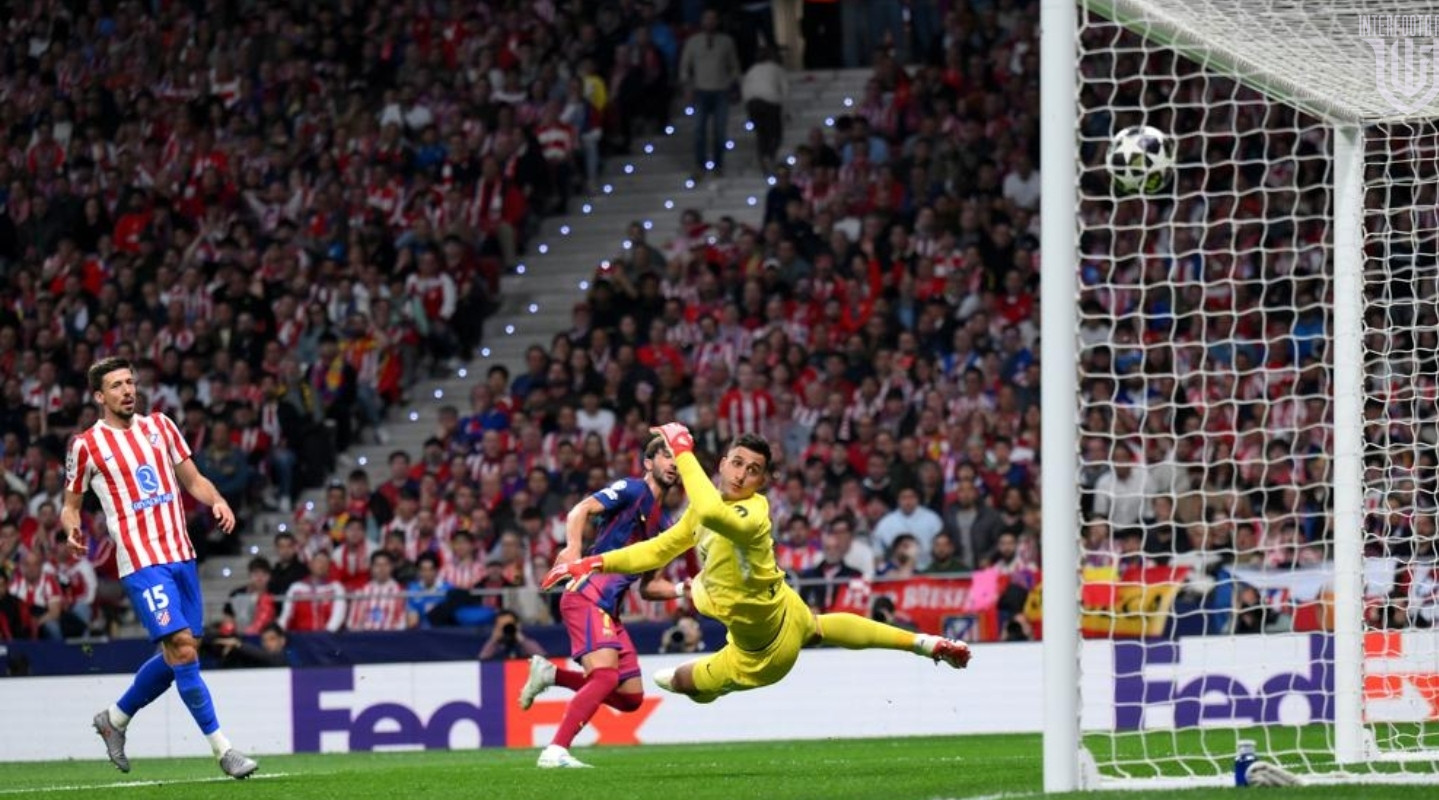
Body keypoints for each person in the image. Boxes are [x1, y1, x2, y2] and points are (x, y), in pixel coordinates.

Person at [544, 426, 970, 711]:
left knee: (681, 683)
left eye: (753, 470)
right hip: (783, 604)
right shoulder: (701, 509)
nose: (741, 475)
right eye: (736, 463)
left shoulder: (753, 513)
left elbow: (711, 512)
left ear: (762, 482)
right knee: (819, 625)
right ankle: (925, 643)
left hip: (762, 652)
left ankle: (716, 680)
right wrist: (594, 561)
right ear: (722, 464)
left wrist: (683, 451)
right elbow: (655, 551)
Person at [63, 357, 257, 778]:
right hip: (141, 561)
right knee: (182, 647)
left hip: (181, 554)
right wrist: (72, 529)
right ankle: (223, 751)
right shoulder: (86, 445)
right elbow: (70, 506)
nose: (127, 390)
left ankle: (114, 719)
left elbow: (193, 479)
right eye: (116, 385)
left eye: (129, 382)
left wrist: (218, 500)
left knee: (182, 652)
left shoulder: (161, 426)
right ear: (99, 396)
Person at [517, 435, 685, 769]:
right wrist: (573, 549)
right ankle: (555, 751)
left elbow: (650, 587)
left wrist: (685, 588)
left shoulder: (666, 526)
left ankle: (552, 676)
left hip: (610, 608)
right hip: (588, 593)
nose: (673, 463)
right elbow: (580, 509)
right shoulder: (632, 490)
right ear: (648, 462)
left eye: (677, 458)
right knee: (606, 678)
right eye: (666, 455)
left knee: (631, 697)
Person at [679, 9, 741, 178]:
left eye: (713, 18)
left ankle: (718, 165)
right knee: (699, 131)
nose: (710, 21)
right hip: (700, 91)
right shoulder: (692, 42)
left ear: (717, 21)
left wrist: (732, 84)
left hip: (721, 91)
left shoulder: (727, 41)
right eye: (707, 18)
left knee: (720, 131)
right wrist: (687, 87)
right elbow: (685, 67)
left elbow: (734, 66)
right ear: (702, 20)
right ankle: (700, 165)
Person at [740, 46, 788, 174]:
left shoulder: (752, 70)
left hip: (753, 103)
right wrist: (785, 109)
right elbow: (785, 89)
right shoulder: (776, 69)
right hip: (770, 102)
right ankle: (770, 156)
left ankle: (763, 158)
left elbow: (745, 88)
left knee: (761, 134)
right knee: (775, 134)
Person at [479, 609, 546, 661]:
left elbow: (543, 659)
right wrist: (493, 640)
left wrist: (522, 640)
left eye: (508, 625)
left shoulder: (526, 643)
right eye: (501, 626)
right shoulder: (494, 646)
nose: (505, 629)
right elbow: (481, 661)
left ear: (517, 625)